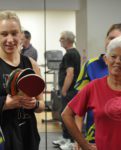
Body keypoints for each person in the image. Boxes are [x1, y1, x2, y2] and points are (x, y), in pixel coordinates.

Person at [62, 34, 121, 150]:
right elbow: (66, 115)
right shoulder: (93, 87)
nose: (117, 61)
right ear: (106, 59)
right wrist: (84, 145)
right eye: (113, 56)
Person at [0, 10, 45, 150]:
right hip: (3, 136)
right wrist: (5, 104)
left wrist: (34, 104)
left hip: (28, 135)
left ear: (21, 34)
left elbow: (42, 104)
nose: (10, 39)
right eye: (4, 34)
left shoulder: (31, 64)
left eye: (14, 33)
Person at [52, 31, 81, 150]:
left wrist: (64, 90)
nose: (60, 40)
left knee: (68, 116)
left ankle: (71, 141)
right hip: (70, 91)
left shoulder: (70, 54)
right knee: (64, 115)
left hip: (70, 91)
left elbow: (70, 74)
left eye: (61, 38)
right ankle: (65, 137)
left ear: (67, 40)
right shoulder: (72, 53)